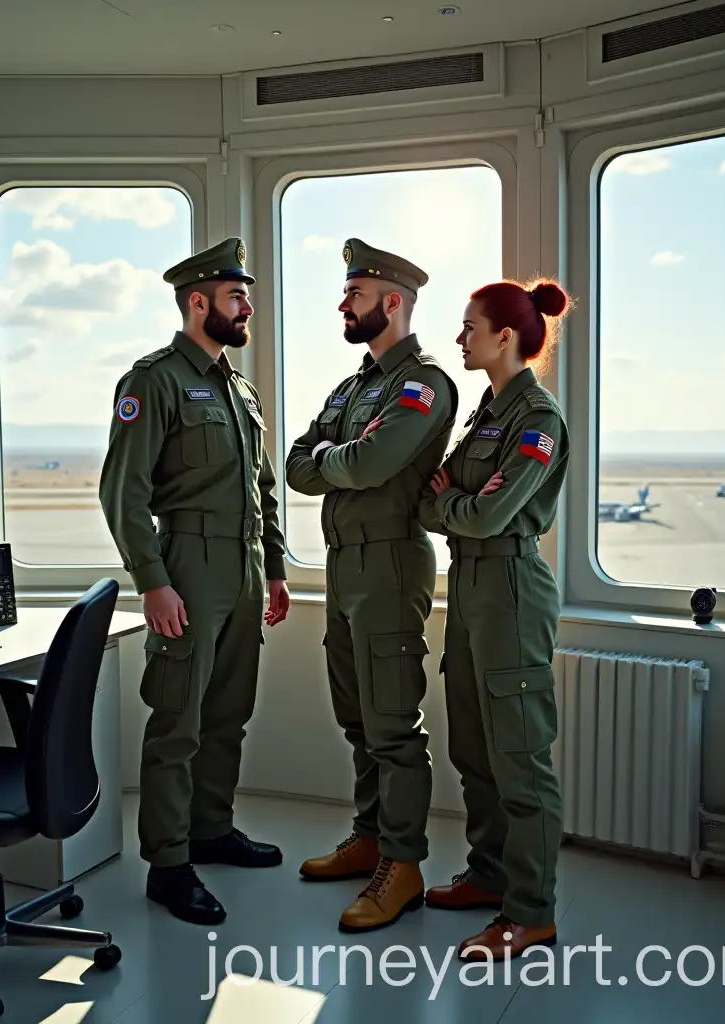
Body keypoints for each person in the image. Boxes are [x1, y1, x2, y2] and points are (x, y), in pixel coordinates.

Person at [99, 237, 290, 927]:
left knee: (228, 713)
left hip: (241, 570)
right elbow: (123, 493)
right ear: (199, 301)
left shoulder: (238, 387)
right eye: (237, 297)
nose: (247, 308)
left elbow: (263, 490)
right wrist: (153, 580)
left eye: (247, 297)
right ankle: (169, 863)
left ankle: (210, 829)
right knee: (178, 718)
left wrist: (272, 568)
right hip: (187, 567)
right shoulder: (153, 381)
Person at [286, 238, 458, 932]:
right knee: (357, 719)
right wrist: (339, 456)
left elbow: (371, 464)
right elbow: (300, 465)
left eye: (354, 295)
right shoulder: (353, 388)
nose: (343, 305)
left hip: (390, 566)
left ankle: (405, 865)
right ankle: (370, 838)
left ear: (392, 302)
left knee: (393, 726)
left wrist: (338, 457)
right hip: (343, 565)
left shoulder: (424, 384)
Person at [418, 277, 570, 962]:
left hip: (510, 586)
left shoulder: (538, 419)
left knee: (520, 762)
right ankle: (489, 876)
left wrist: (454, 504)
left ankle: (531, 912)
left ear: (505, 337)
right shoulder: (486, 413)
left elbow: (482, 513)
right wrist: (454, 503)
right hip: (471, 586)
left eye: (470, 326)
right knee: (474, 749)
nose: (460, 339)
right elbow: (432, 498)